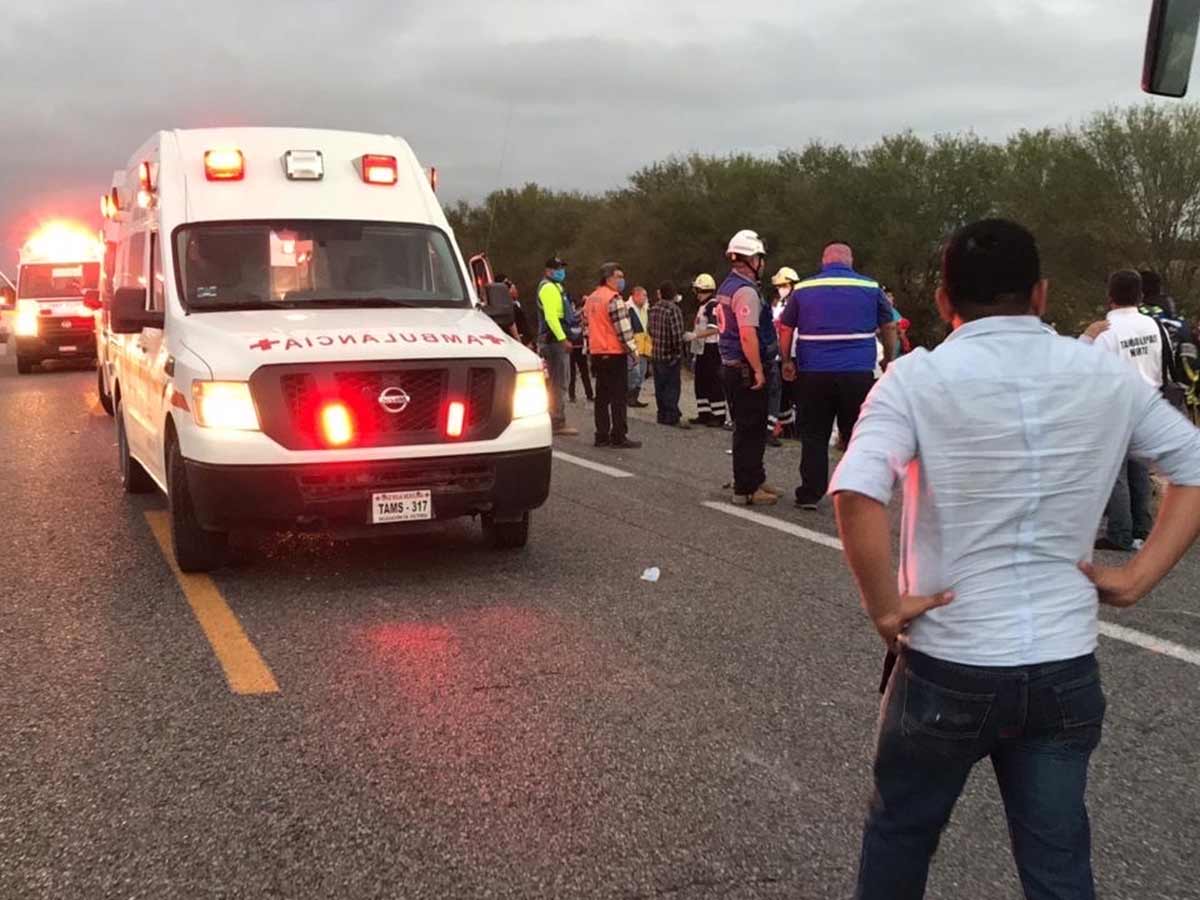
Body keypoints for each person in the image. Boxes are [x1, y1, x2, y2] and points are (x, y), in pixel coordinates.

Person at [831, 218, 1200, 900]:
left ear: (944, 302)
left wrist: (884, 605)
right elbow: (1193, 467)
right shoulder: (1101, 374)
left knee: (902, 837)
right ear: (1041, 294)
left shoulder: (917, 378)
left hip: (949, 660)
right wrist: (1137, 577)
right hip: (1063, 665)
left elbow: (856, 490)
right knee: (1058, 863)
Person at [778, 241, 897, 510]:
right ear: (850, 261)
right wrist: (889, 358)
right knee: (856, 435)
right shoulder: (870, 287)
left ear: (824, 262)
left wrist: (786, 360)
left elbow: (786, 328)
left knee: (814, 436)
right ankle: (858, 495)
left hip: (813, 373)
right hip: (857, 374)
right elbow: (889, 325)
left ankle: (810, 493)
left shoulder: (804, 289)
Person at [1080, 270, 1165, 552]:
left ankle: (1120, 533)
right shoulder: (1153, 325)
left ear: (1110, 297)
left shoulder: (1105, 331)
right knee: (1139, 470)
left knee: (1115, 473)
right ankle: (1143, 529)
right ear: (1140, 295)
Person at [718, 230, 777, 505]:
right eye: (760, 258)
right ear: (752, 258)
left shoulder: (727, 286)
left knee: (747, 426)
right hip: (744, 368)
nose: (763, 264)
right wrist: (758, 369)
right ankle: (746, 487)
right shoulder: (745, 291)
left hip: (731, 366)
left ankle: (754, 477)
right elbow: (747, 334)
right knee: (750, 428)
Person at [583, 263, 641, 449]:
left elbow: (586, 327)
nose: (621, 280)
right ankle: (618, 435)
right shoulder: (613, 299)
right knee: (618, 397)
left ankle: (601, 435)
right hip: (614, 352)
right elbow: (623, 330)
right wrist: (633, 351)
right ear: (609, 278)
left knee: (601, 396)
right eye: (619, 276)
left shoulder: (592, 299)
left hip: (597, 352)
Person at [536, 255, 578, 436]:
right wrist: (562, 339)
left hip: (555, 340)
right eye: (558, 268)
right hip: (554, 341)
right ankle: (556, 421)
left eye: (562, 267)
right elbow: (551, 317)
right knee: (558, 382)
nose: (562, 271)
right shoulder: (548, 289)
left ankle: (555, 417)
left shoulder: (556, 287)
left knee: (559, 380)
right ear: (548, 271)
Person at [648, 281, 690, 429]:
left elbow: (650, 330)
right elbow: (677, 334)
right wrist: (678, 353)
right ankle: (672, 416)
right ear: (673, 294)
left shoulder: (653, 309)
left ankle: (662, 414)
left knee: (660, 386)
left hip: (656, 353)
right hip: (670, 355)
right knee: (672, 386)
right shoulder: (673, 310)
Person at [689, 274, 727, 427]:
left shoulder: (713, 305)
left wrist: (694, 335)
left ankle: (718, 416)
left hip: (711, 348)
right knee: (701, 381)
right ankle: (704, 413)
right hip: (701, 349)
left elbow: (714, 328)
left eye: (697, 290)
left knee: (713, 382)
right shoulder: (703, 306)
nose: (696, 294)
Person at [769, 267, 801, 444]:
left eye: (783, 285)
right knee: (782, 394)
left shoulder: (799, 303)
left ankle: (798, 429)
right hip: (781, 353)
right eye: (778, 285)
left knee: (797, 393)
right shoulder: (779, 304)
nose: (780, 288)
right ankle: (786, 427)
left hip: (796, 353)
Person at [567, 292, 594, 403]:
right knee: (571, 373)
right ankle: (572, 395)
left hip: (580, 346)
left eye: (573, 304)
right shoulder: (566, 316)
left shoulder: (581, 314)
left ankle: (589, 394)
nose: (571, 307)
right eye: (570, 305)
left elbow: (586, 318)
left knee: (584, 372)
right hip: (570, 347)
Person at [628, 286, 652, 407]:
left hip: (644, 347)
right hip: (633, 347)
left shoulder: (646, 308)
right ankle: (628, 397)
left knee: (641, 374)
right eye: (644, 295)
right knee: (634, 373)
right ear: (636, 295)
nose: (646, 298)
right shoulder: (628, 309)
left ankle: (634, 398)